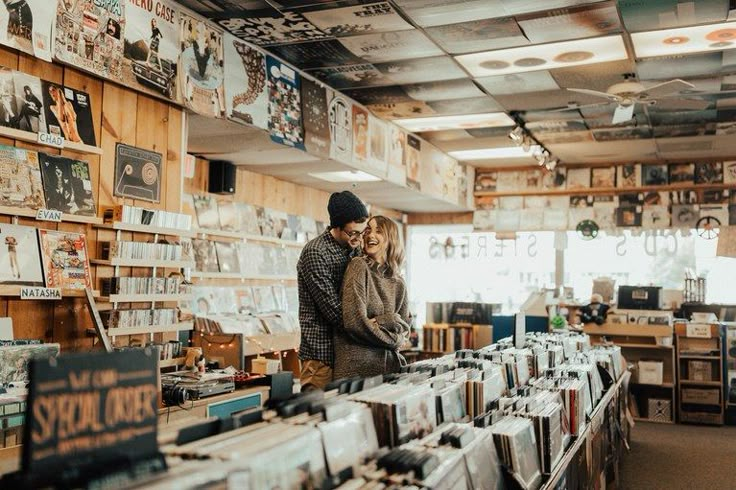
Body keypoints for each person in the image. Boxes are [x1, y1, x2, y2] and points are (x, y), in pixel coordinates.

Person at [297, 191, 368, 391]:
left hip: (349, 351)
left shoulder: (355, 248)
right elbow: (335, 312)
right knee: (318, 415)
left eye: (362, 232)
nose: (358, 238)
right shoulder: (316, 252)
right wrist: (373, 328)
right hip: (322, 355)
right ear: (336, 226)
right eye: (353, 233)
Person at [333, 216, 410, 379]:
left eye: (378, 231)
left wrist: (383, 321)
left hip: (389, 370)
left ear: (391, 239)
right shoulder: (358, 266)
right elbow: (355, 323)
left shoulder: (398, 282)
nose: (370, 235)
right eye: (367, 230)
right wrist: (394, 338)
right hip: (357, 371)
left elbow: (404, 329)